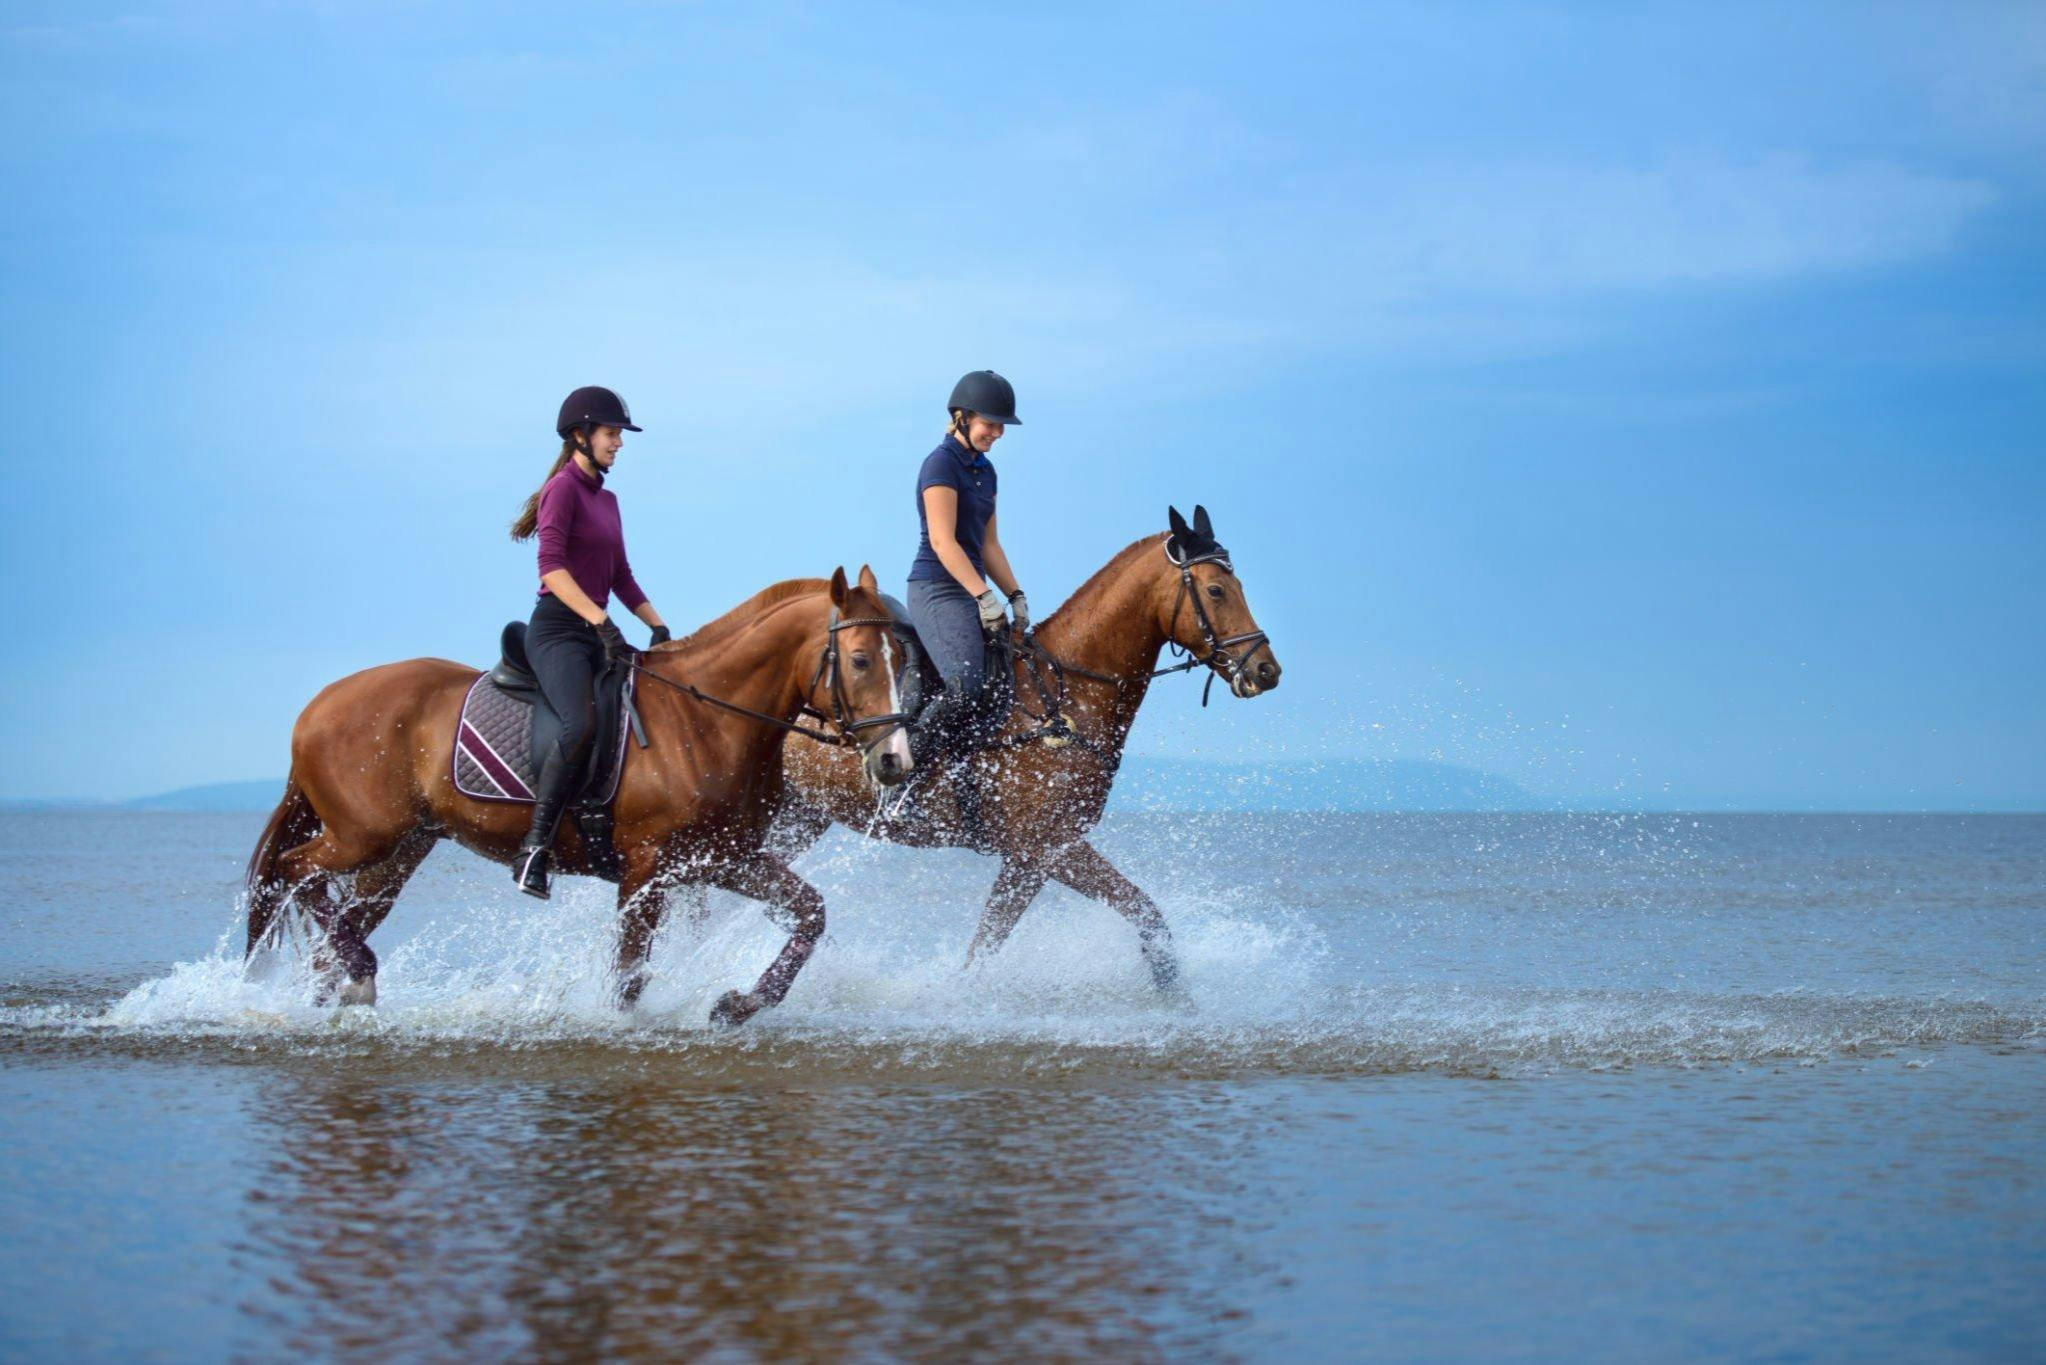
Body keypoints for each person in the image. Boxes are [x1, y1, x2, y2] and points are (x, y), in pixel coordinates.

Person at [506, 385, 669, 898]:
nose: (618, 443)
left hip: (597, 630)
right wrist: (600, 622)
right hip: (559, 631)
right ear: (581, 435)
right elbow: (551, 570)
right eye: (611, 433)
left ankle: (605, 824)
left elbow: (620, 574)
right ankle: (535, 847)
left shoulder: (609, 500)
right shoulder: (563, 489)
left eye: (619, 435)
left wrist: (658, 627)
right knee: (581, 723)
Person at [900, 370, 1030, 845]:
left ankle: (964, 796)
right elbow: (943, 540)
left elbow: (989, 544)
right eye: (990, 423)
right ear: (962, 416)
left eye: (1000, 426)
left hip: (975, 587)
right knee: (965, 683)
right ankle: (903, 783)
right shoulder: (941, 465)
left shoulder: (985, 471)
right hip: (938, 587)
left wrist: (1014, 595)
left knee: (999, 689)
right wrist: (983, 596)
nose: (996, 433)